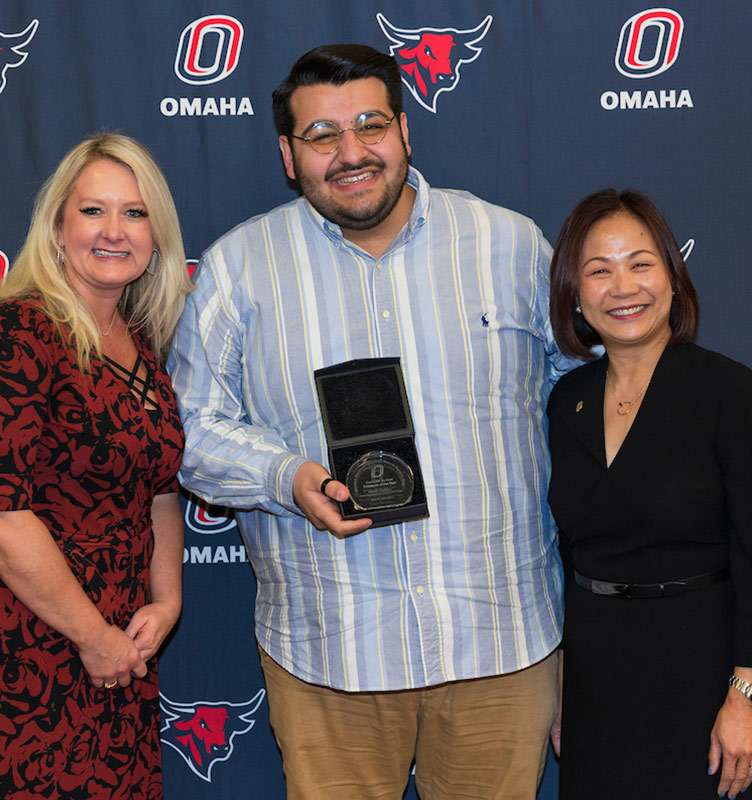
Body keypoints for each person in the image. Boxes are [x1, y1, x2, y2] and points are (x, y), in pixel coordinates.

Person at [168, 44, 566, 799]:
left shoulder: (510, 247)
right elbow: (188, 432)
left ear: (405, 131)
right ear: (289, 156)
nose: (350, 153)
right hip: (330, 653)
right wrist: (286, 477)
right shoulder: (239, 267)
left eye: (369, 125)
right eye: (322, 137)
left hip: (500, 644)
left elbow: (586, 409)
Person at [0, 133, 192, 800]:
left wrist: (164, 602)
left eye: (135, 214)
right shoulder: (12, 332)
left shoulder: (137, 342)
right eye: (93, 211)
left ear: (156, 237)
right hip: (1, 652)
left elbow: (159, 490)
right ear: (57, 228)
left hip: (109, 653)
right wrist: (94, 637)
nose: (114, 231)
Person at [546, 190, 752, 800]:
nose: (623, 286)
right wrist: (560, 689)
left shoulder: (730, 393)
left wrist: (747, 696)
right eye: (599, 271)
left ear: (672, 276)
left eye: (640, 264)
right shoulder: (565, 402)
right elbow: (562, 559)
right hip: (598, 681)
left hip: (704, 675)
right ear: (575, 295)